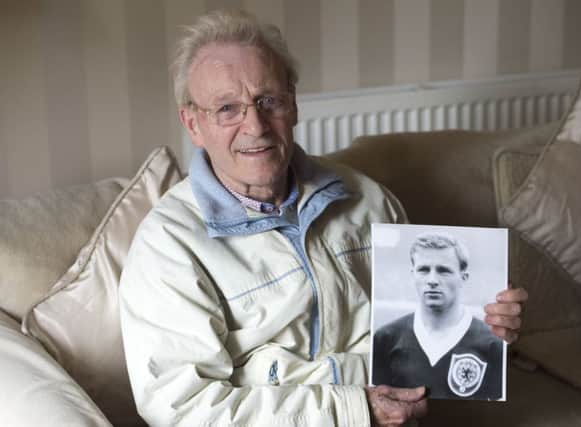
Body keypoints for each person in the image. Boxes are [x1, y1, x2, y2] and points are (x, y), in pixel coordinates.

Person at [119, 10, 526, 427]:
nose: (255, 125)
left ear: (292, 104)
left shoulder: (368, 200)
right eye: (227, 108)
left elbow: (416, 341)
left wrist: (482, 327)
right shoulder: (168, 245)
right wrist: (353, 410)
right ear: (193, 123)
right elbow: (185, 410)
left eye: (268, 100)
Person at [372, 233, 504, 400]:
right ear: (413, 274)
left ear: (463, 278)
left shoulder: (493, 343)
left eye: (443, 271)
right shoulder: (385, 338)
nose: (432, 280)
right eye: (424, 270)